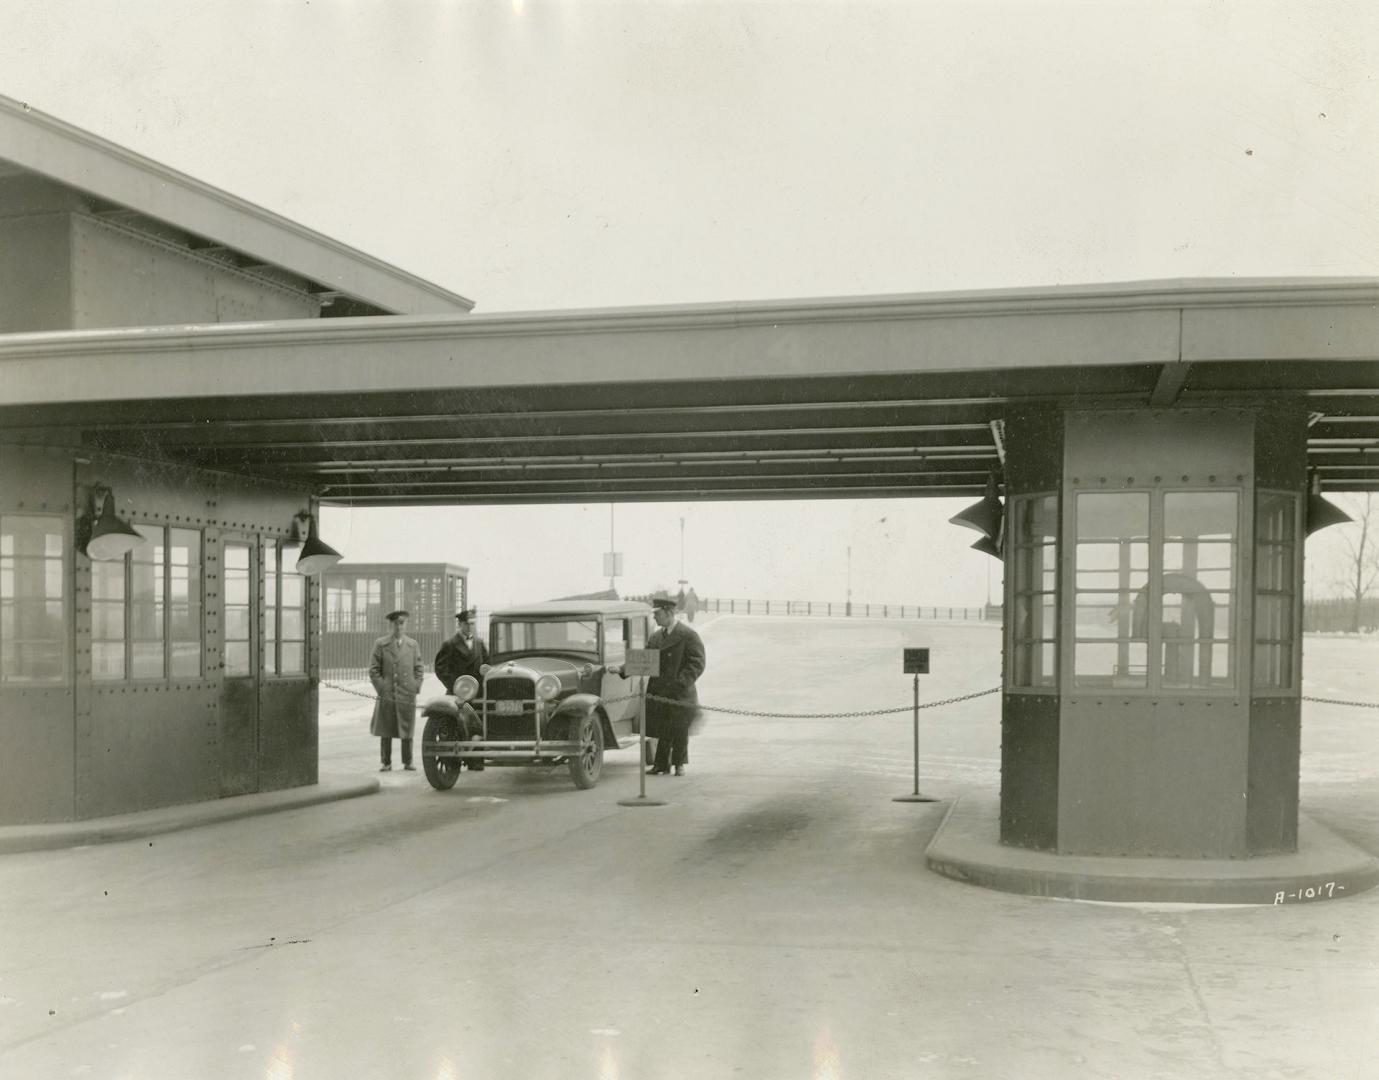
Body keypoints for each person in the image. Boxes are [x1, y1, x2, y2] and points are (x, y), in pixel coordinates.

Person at [645, 591, 706, 777]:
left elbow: (697, 663)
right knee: (663, 727)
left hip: (680, 691)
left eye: (657, 614)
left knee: (680, 729)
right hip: (659, 691)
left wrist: (681, 682)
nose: (654, 617)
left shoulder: (688, 635)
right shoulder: (656, 637)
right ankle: (661, 765)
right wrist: (622, 669)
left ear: (669, 613)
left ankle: (679, 764)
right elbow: (643, 659)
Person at [369, 609, 424, 772]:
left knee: (407, 729)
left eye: (401, 623)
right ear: (390, 625)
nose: (398, 627)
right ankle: (386, 762)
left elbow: (419, 668)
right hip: (388, 693)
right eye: (395, 624)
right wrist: (382, 687)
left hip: (406, 693)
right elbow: (373, 669)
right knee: (386, 729)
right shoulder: (381, 644)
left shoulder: (412, 645)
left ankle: (408, 761)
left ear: (405, 625)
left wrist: (415, 686)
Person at [434, 607, 488, 694]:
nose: (470, 627)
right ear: (459, 624)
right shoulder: (449, 645)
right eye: (466, 624)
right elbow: (441, 670)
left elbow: (487, 663)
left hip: (478, 692)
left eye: (472, 624)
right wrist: (456, 686)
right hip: (458, 692)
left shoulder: (479, 643)